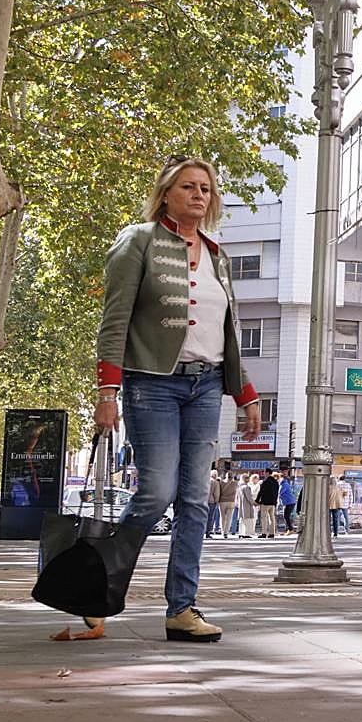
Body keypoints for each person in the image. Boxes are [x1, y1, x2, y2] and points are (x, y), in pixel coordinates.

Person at [93, 155, 260, 643]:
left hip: (207, 386)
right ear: (166, 193)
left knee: (194, 500)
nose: (199, 195)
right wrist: (107, 392)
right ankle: (94, 590)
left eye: (205, 189)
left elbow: (227, 331)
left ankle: (181, 609)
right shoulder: (138, 241)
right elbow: (115, 320)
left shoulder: (217, 255)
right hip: (152, 384)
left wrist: (245, 394)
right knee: (156, 493)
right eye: (188, 187)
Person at [255, 467, 279, 538]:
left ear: (268, 473)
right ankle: (272, 533)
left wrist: (257, 501)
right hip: (273, 503)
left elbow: (261, 492)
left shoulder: (265, 482)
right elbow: (276, 493)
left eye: (265, 472)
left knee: (264, 518)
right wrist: (275, 501)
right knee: (272, 518)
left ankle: (264, 533)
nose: (264, 474)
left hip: (265, 503)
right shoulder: (276, 482)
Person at [217, 469, 237, 539]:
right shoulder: (235, 483)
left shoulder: (221, 483)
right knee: (229, 518)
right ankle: (226, 532)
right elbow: (235, 492)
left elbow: (219, 492)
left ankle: (223, 531)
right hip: (231, 501)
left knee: (222, 517)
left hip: (222, 501)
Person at [234, 474, 256, 538]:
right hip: (247, 505)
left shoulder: (239, 487)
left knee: (242, 520)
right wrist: (254, 503)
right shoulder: (246, 487)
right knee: (247, 520)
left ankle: (241, 533)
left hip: (241, 505)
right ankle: (246, 534)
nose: (248, 479)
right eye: (247, 478)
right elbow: (249, 498)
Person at [205, 470, 221, 539]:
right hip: (211, 501)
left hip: (203, 500)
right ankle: (208, 532)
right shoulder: (215, 482)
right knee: (210, 517)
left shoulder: (205, 480)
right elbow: (216, 493)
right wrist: (216, 501)